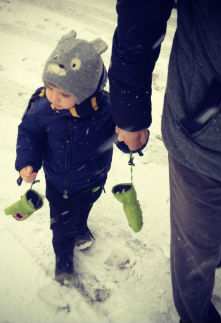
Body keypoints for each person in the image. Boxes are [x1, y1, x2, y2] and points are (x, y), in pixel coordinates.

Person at [108, 1, 221, 322]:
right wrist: (129, 113)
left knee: (216, 236)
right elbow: (140, 15)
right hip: (204, 135)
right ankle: (195, 316)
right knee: (195, 252)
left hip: (206, 125)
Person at [15, 30, 132, 282]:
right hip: (60, 184)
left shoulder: (108, 109)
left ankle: (81, 226)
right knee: (61, 226)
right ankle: (64, 261)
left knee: (84, 207)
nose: (54, 97)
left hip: (94, 179)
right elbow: (29, 133)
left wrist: (126, 139)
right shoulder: (42, 105)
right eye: (49, 87)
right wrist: (27, 161)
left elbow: (124, 139)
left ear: (88, 90)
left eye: (64, 94)